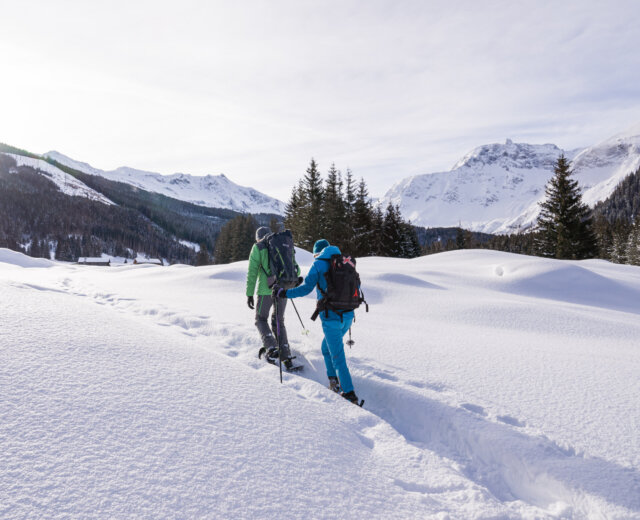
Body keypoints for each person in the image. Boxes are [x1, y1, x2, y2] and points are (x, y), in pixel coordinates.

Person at [273, 239, 360, 405]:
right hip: (348, 315)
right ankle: (333, 380)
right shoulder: (345, 262)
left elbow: (306, 288)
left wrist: (284, 293)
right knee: (325, 348)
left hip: (331, 317)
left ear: (316, 253)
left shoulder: (318, 264)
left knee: (338, 356)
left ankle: (349, 394)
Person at [246, 226, 299, 369]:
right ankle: (286, 355)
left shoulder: (258, 247)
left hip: (266, 290)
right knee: (278, 320)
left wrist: (249, 294)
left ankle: (271, 348)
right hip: (283, 288)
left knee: (260, 319)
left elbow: (252, 272)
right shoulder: (283, 244)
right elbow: (296, 268)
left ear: (258, 237)